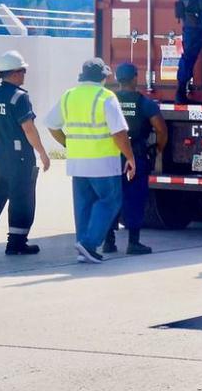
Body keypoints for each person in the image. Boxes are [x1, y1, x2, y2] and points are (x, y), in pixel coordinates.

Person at [45, 58, 136, 264]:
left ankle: (82, 247)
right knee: (110, 201)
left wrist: (69, 143)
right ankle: (89, 243)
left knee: (83, 205)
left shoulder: (69, 95)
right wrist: (130, 157)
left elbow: (51, 124)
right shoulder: (106, 97)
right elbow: (119, 133)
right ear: (103, 77)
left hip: (78, 162)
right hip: (103, 163)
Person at [0, 51, 51, 255]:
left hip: (0, 154)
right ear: (14, 73)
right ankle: (16, 243)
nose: (24, 75)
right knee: (22, 198)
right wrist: (42, 152)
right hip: (20, 157)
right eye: (22, 71)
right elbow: (28, 128)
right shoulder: (19, 97)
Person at [103, 62, 167, 255]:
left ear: (117, 79)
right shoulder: (144, 103)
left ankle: (108, 242)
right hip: (136, 156)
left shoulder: (109, 100)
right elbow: (161, 129)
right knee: (135, 198)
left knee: (111, 197)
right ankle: (133, 242)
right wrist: (158, 149)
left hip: (111, 156)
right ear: (135, 78)